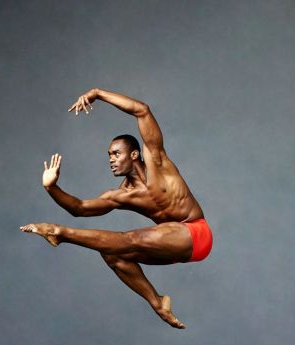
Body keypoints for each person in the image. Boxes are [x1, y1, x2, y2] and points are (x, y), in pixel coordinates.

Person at [20, 88, 212, 328]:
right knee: (112, 253)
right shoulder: (122, 195)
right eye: (109, 155)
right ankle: (157, 303)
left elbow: (141, 110)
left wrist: (97, 93)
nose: (111, 159)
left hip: (196, 233)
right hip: (171, 245)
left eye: (116, 154)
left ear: (134, 154)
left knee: (130, 239)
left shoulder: (157, 160)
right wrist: (52, 188)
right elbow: (80, 208)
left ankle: (60, 233)